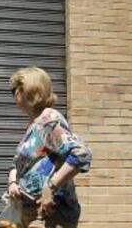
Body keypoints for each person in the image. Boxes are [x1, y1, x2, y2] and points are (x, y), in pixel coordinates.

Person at [7, 67, 92, 228]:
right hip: (27, 212)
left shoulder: (49, 120)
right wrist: (12, 183)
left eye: (16, 90)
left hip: (48, 214)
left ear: (30, 90)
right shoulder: (35, 123)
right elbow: (17, 164)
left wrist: (51, 187)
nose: (14, 95)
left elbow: (81, 154)